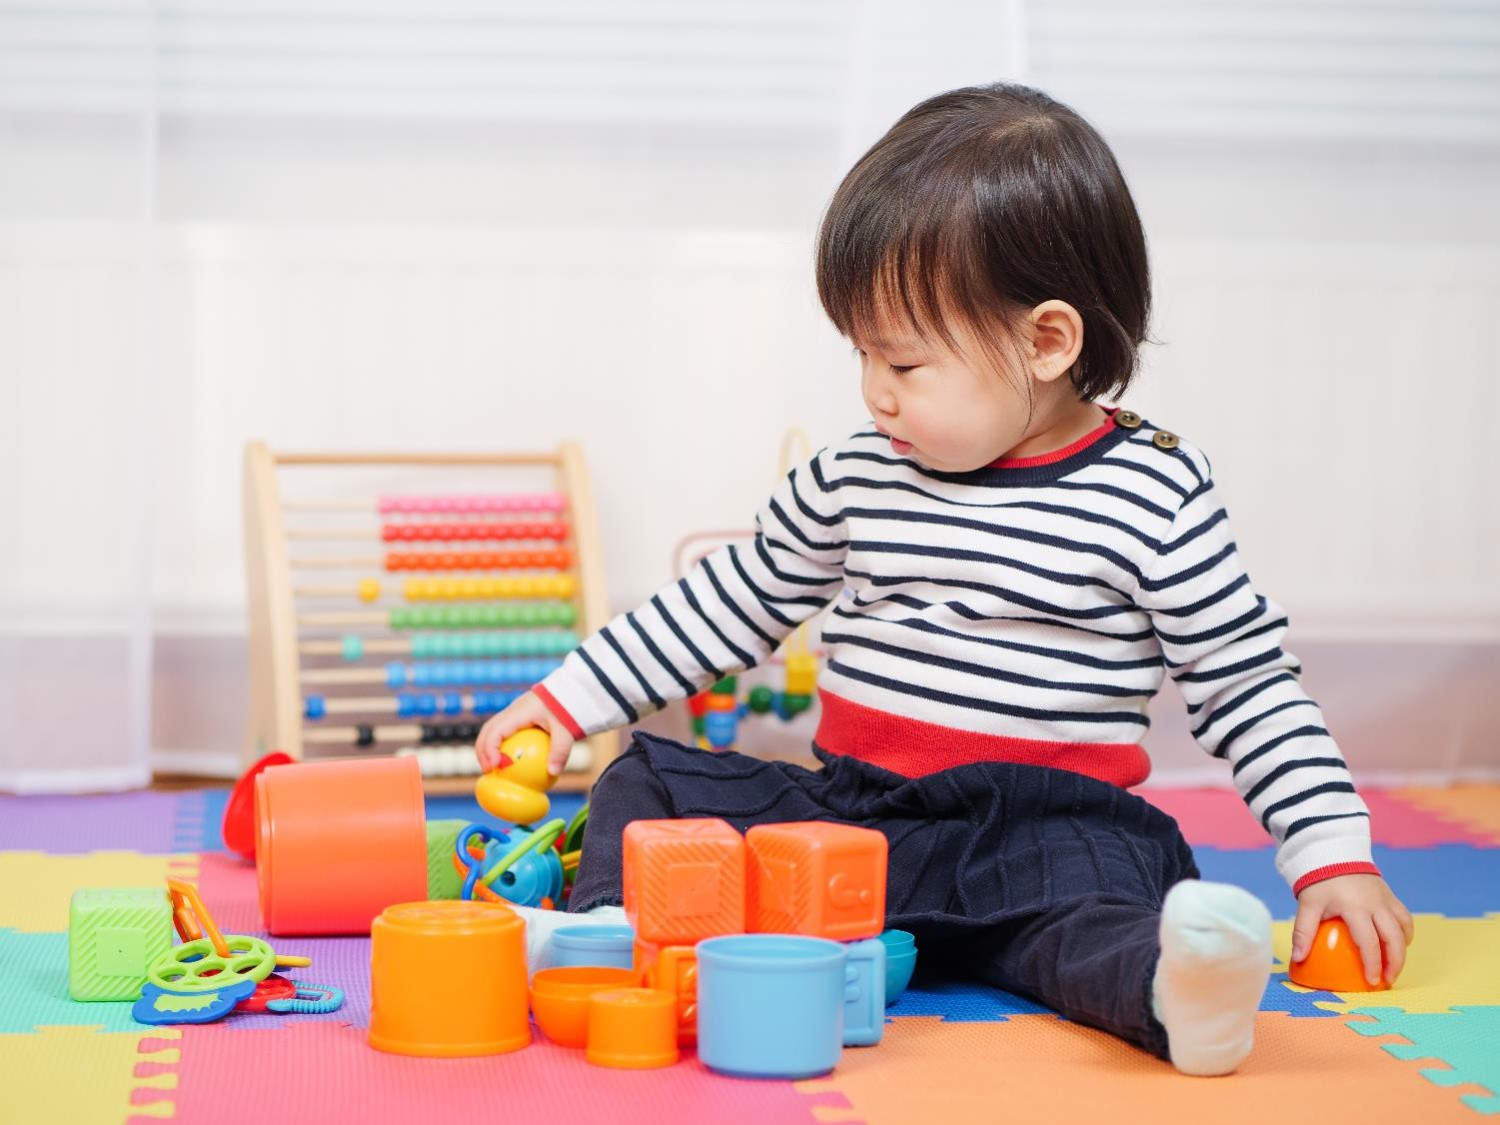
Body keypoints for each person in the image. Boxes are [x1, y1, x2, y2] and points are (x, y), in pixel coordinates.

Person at [475, 82, 1414, 1076]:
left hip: (1044, 835)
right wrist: (565, 700)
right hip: (857, 822)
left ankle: (1179, 988)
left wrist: (1330, 857)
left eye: (907, 363)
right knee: (651, 773)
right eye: (864, 356)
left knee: (1094, 917)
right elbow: (733, 599)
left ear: (1048, 342)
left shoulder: (1155, 495)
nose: (876, 392)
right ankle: (616, 936)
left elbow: (1248, 686)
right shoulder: (859, 473)